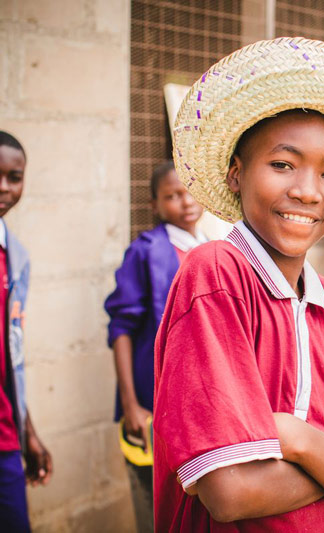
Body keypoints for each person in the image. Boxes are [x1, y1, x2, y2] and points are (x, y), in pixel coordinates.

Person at [152, 37, 324, 531]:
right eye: (283, 164)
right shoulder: (216, 274)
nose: (306, 191)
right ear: (235, 173)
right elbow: (230, 493)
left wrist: (296, 437)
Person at [104, 160, 207, 532]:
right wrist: (131, 404)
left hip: (201, 405)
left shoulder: (213, 250)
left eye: (189, 191)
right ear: (155, 205)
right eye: (172, 196)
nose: (185, 202)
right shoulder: (145, 252)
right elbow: (121, 330)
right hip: (154, 402)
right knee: (157, 506)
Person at [0, 131, 53, 532]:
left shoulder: (16, 258)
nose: (4, 186)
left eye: (14, 176)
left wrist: (27, 431)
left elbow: (10, 356)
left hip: (4, 440)